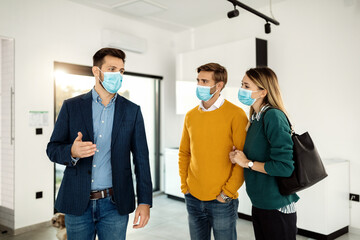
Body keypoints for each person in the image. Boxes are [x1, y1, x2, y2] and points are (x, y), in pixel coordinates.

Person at [46, 48, 152, 240]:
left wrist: (145, 202)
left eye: (121, 71)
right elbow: (52, 149)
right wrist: (72, 151)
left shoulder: (132, 111)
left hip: (115, 204)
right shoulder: (71, 106)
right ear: (96, 71)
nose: (118, 75)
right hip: (77, 202)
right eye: (112, 69)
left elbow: (141, 159)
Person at [178, 63, 248, 240]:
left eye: (204, 81)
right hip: (193, 197)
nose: (199, 85)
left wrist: (226, 193)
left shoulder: (236, 114)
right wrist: (185, 186)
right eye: (198, 80)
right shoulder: (191, 116)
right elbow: (184, 153)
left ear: (219, 85)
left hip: (222, 201)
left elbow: (242, 159)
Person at [229, 67, 299, 240]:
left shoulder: (273, 116)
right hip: (260, 203)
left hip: (277, 205)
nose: (241, 90)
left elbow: (284, 167)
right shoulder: (255, 119)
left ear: (263, 92)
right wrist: (239, 157)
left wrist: (247, 163)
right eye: (242, 85)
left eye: (246, 86)